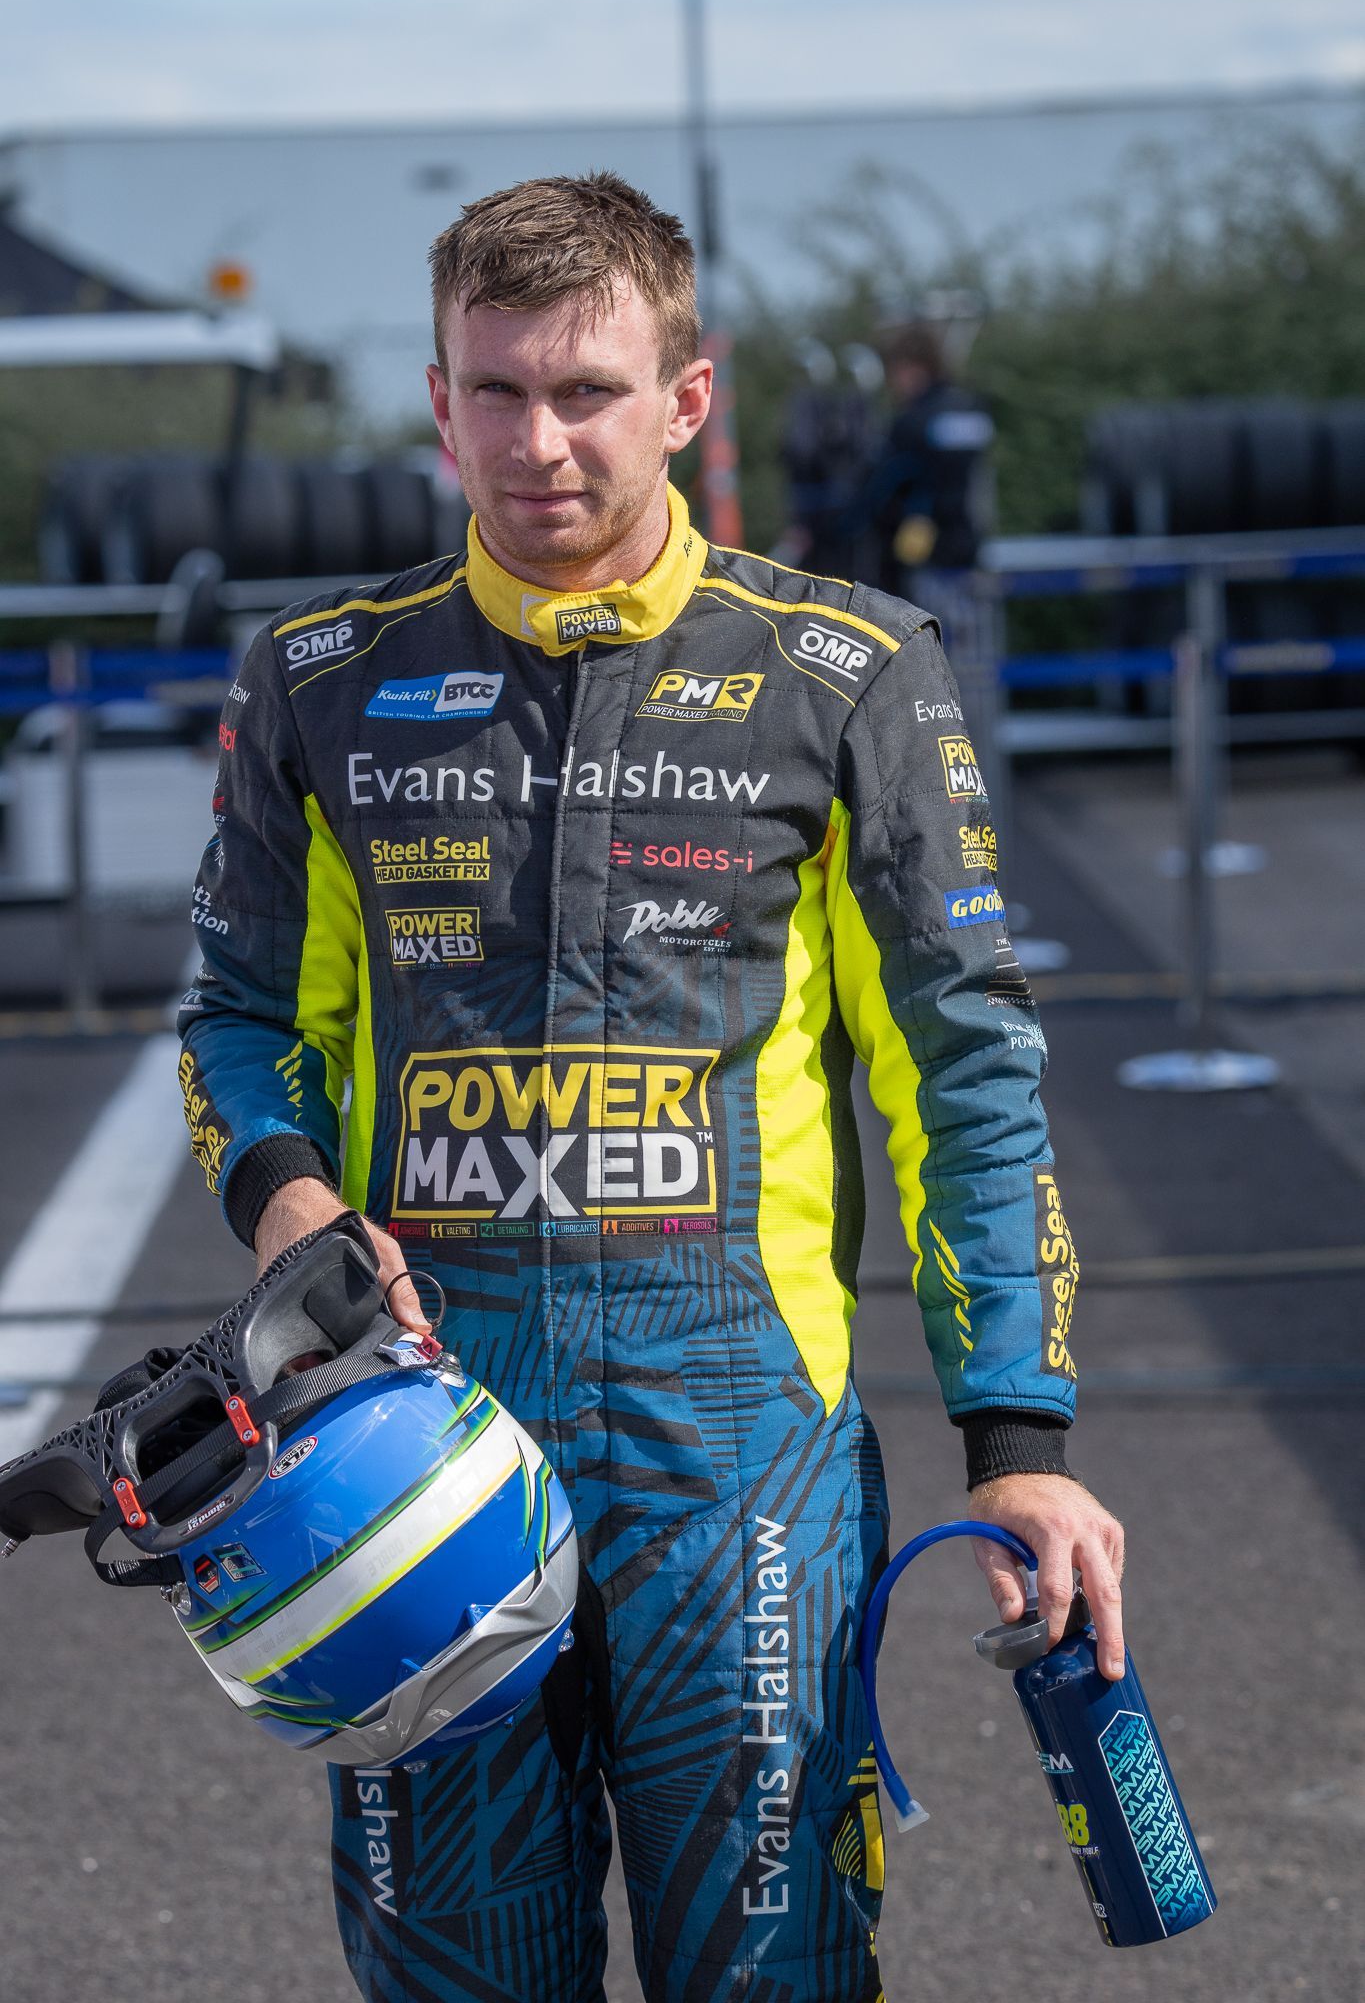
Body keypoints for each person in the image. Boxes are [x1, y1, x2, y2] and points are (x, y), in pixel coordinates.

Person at [178, 171, 1123, 2003]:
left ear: (688, 397)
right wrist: (294, 1198)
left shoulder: (848, 672)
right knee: (459, 1976)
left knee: (773, 1972)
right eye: (499, 392)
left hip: (742, 1458)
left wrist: (1022, 1442)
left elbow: (967, 1076)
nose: (543, 443)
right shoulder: (321, 680)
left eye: (591, 390)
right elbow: (234, 1017)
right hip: (414, 1447)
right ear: (438, 401)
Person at [857, 319, 995, 624]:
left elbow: (878, 491)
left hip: (920, 556)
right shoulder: (972, 409)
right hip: (972, 549)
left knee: (925, 645)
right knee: (971, 649)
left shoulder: (913, 421)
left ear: (911, 368)